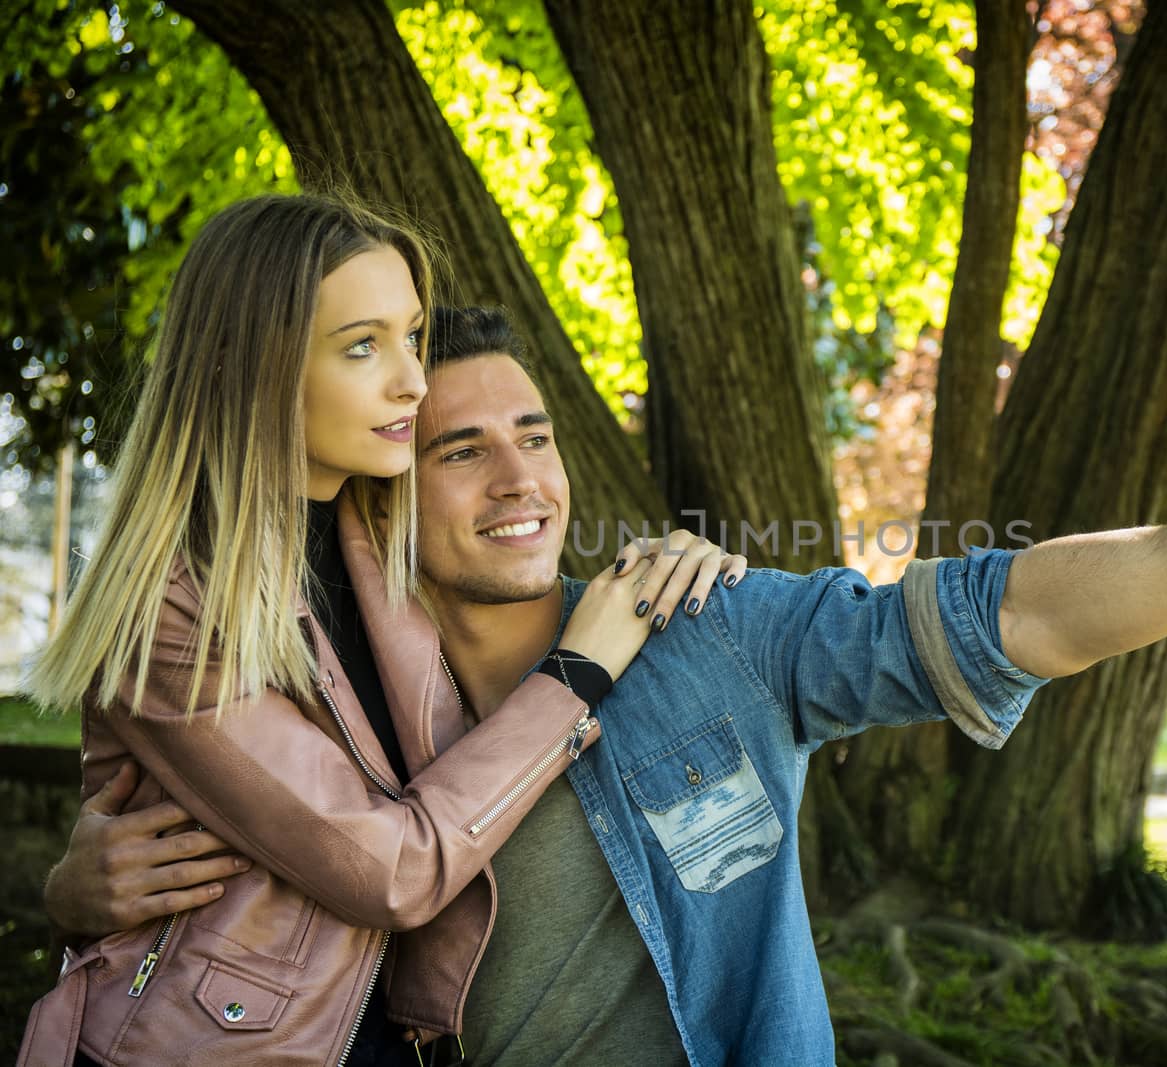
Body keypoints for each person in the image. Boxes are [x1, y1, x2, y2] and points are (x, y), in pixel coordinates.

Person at [43, 305, 1167, 1066]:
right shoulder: (338, 715)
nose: (524, 479)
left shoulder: (709, 630)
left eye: (539, 433)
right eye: (460, 448)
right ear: (381, 490)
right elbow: (222, 895)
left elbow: (1008, 609)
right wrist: (83, 883)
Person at [17, 201, 743, 1067]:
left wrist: (676, 562)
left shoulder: (376, 523)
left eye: (409, 336)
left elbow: (516, 555)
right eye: (363, 346)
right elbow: (390, 869)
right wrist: (578, 672)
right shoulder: (175, 608)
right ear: (248, 364)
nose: (412, 382)